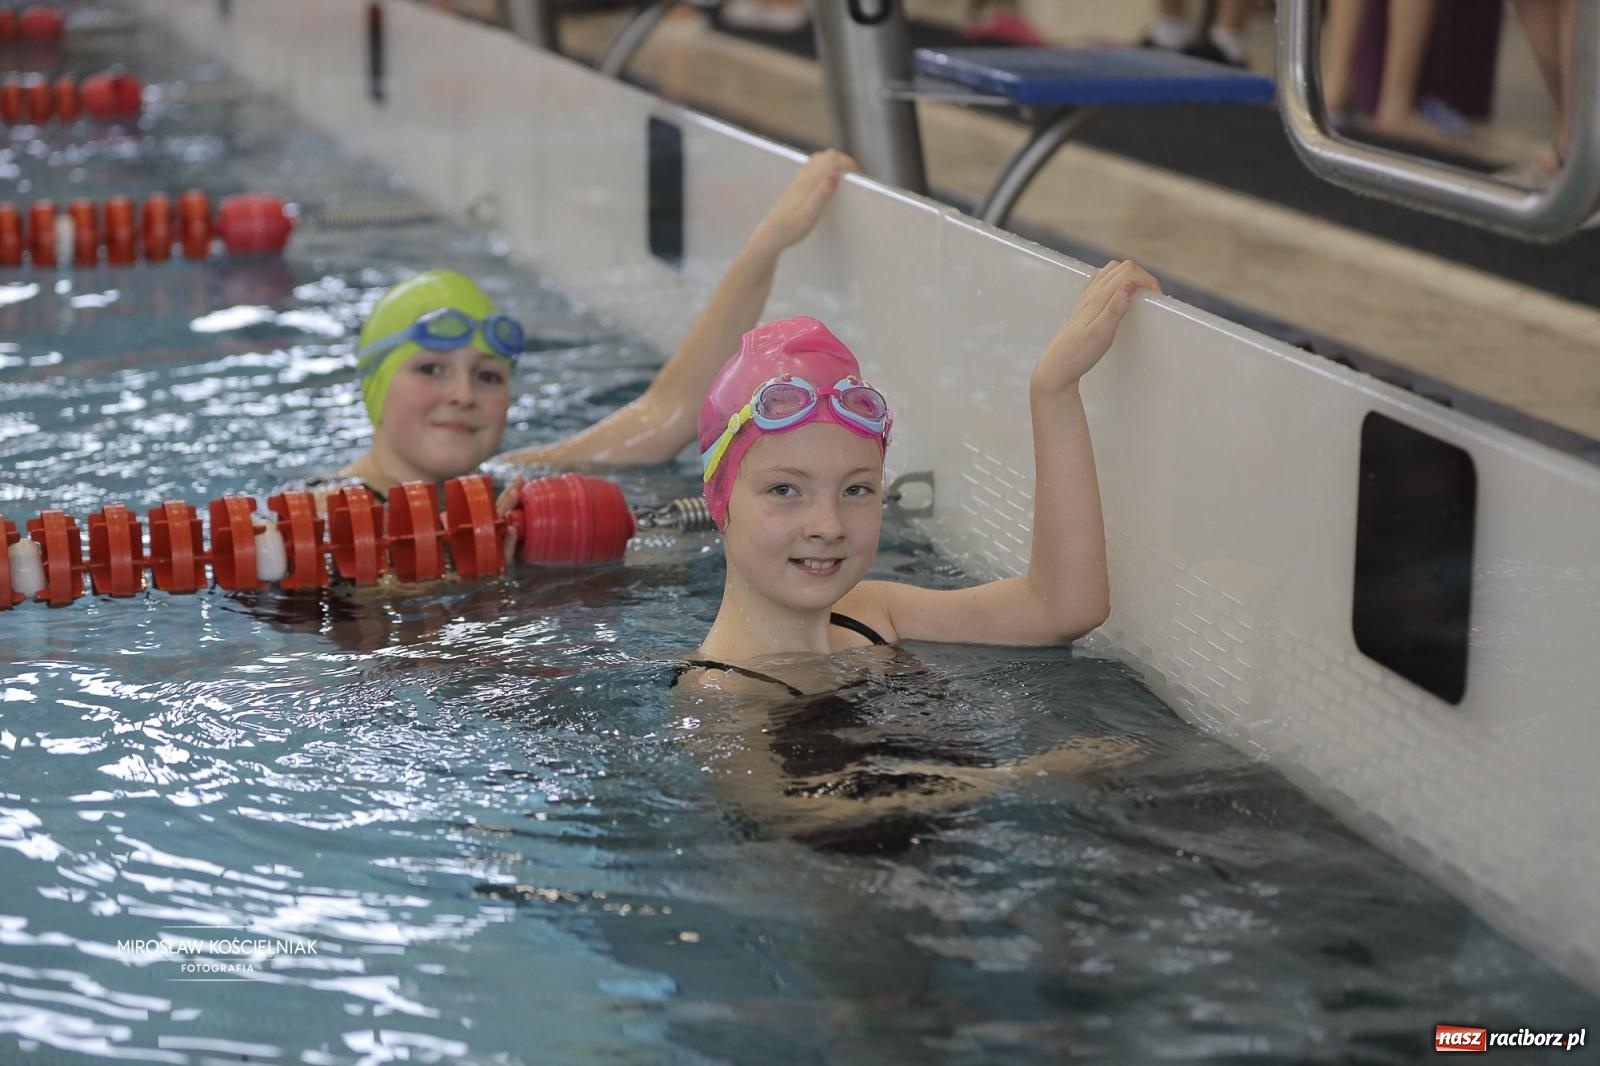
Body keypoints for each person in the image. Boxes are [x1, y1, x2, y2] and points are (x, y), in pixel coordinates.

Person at [673, 259, 1158, 841]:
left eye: (856, 489)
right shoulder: (722, 693)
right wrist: (1029, 773)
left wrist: (1053, 389)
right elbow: (791, 817)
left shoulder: (873, 613)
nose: (827, 524)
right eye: (785, 490)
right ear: (719, 500)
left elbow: (1062, 608)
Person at [305, 149, 858, 506]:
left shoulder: (512, 480)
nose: (462, 395)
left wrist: (771, 239)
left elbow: (667, 414)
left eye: (489, 377)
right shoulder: (318, 514)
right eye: (431, 369)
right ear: (373, 387)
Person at [1141, 0, 1256, 68]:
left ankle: (1228, 44)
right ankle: (1171, 31)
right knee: (1171, 29)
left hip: (1226, 59)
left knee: (1227, 40)